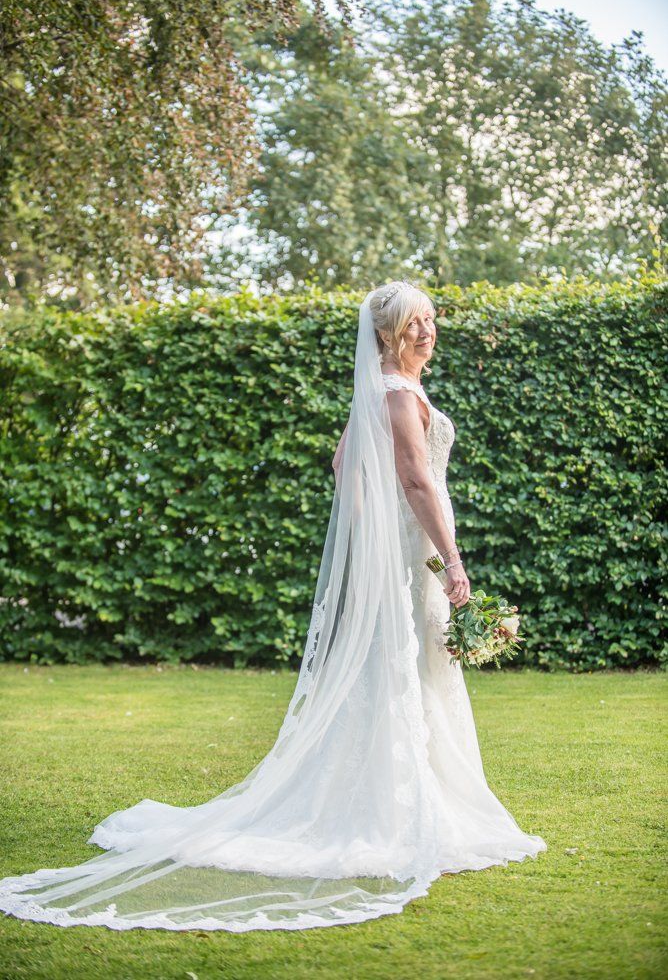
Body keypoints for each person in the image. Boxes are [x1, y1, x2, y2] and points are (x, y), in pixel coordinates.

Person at [0, 282, 546, 933]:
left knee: (416, 667)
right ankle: (401, 813)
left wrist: (373, 533)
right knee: (412, 667)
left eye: (430, 320)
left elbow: (345, 462)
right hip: (417, 550)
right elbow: (413, 476)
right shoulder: (397, 393)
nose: (427, 333)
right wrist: (449, 558)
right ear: (386, 335)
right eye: (412, 325)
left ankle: (415, 798)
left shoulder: (386, 389)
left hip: (407, 549)